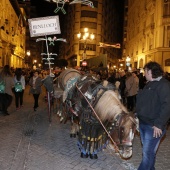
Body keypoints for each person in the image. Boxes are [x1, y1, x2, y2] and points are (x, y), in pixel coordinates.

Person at [136, 61, 170, 170]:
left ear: (150, 71)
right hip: (143, 124)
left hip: (153, 127)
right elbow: (144, 103)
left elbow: (167, 106)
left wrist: (159, 124)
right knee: (149, 153)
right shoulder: (149, 84)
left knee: (147, 154)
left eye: (145, 71)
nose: (144, 74)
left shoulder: (164, 85)